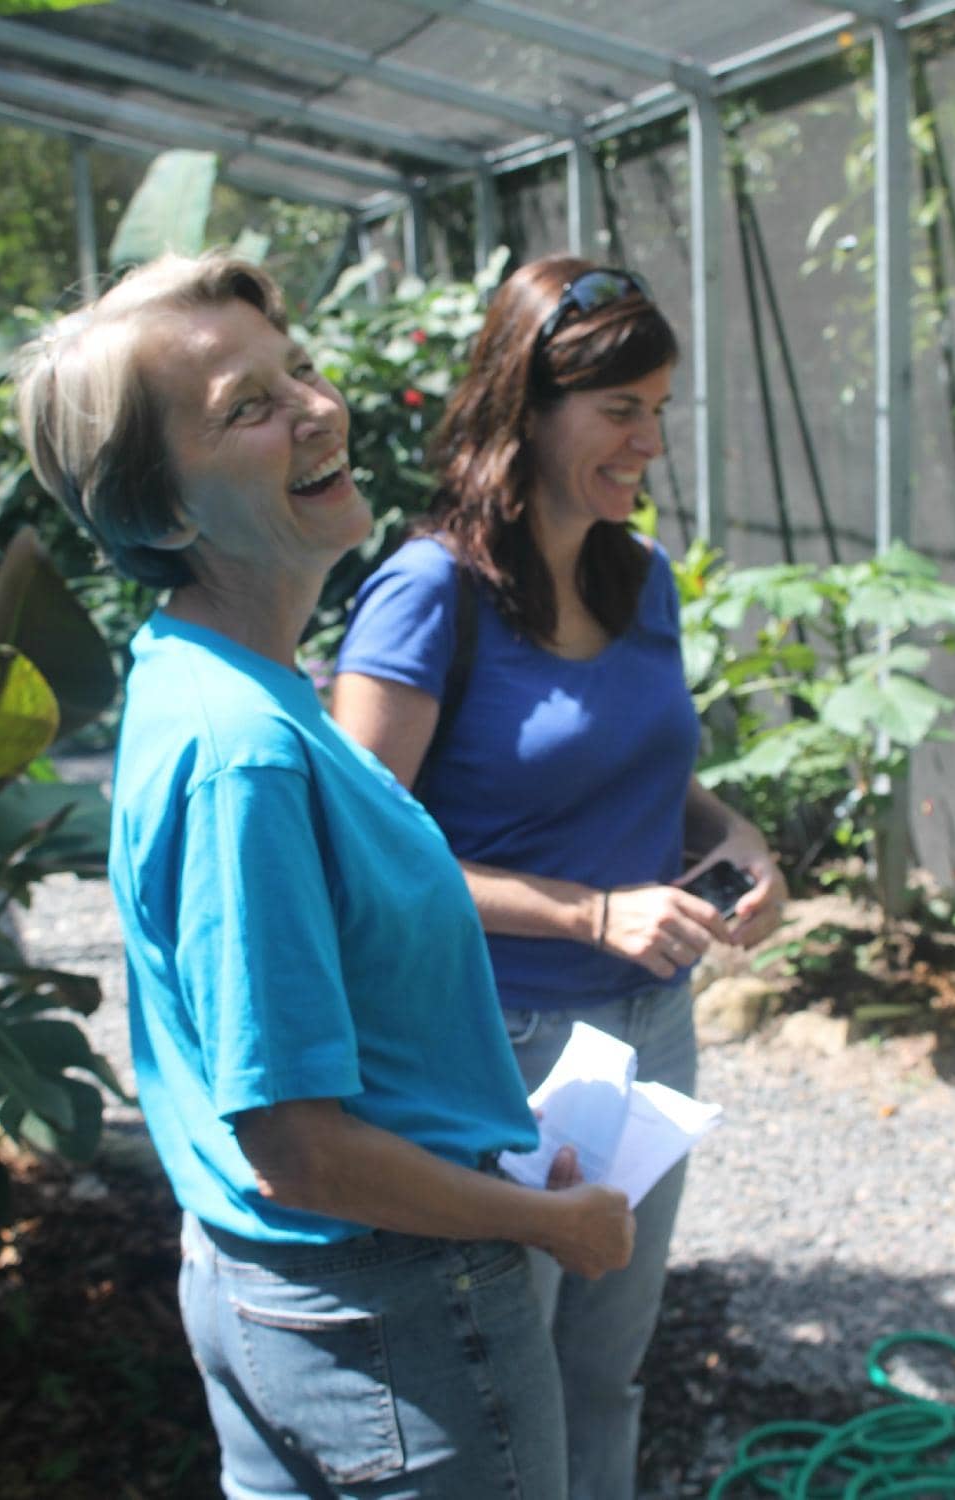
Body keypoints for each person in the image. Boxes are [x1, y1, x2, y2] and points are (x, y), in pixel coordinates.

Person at [13, 251, 636, 1500]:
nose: (317, 407)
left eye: (296, 367)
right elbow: (295, 1146)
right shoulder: (244, 751)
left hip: (295, 1305)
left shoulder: (206, 675)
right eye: (247, 407)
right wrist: (545, 1224)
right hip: (395, 1322)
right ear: (162, 512)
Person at [332, 254, 789, 1500]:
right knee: (499, 1372)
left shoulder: (635, 580)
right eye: (619, 410)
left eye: (658, 409)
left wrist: (738, 837)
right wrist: (588, 913)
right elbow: (357, 857)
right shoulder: (429, 596)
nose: (648, 442)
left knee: (605, 1365)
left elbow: (651, 768)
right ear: (526, 408)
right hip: (498, 1044)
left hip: (652, 1033)